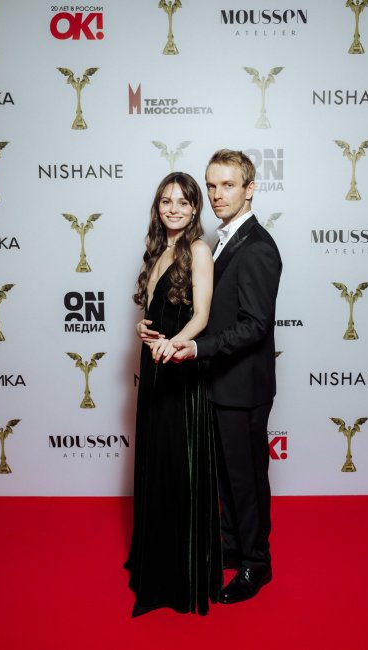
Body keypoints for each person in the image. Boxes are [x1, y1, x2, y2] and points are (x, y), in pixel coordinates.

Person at [158, 149, 282, 605]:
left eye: (228, 185)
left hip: (243, 387)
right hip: (221, 382)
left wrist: (197, 349)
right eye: (211, 185)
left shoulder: (258, 246)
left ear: (250, 188)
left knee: (246, 478)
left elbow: (254, 326)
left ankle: (256, 563)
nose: (216, 194)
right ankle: (233, 545)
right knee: (228, 476)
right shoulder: (226, 240)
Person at [124, 172, 222, 617]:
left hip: (179, 368)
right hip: (154, 365)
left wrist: (173, 344)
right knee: (155, 464)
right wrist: (144, 328)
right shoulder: (158, 250)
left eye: (183, 202)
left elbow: (201, 316)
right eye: (166, 201)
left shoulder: (198, 250)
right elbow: (157, 307)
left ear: (195, 208)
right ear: (157, 207)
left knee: (176, 468)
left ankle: (177, 574)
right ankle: (153, 561)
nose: (174, 209)